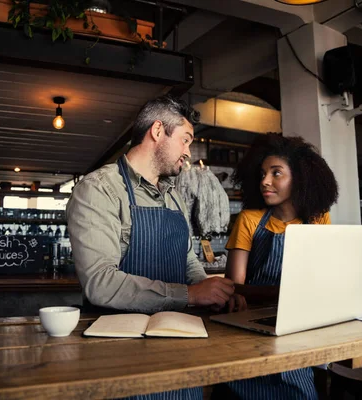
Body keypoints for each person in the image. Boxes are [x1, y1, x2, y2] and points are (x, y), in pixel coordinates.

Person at [66, 95, 235, 400]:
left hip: (180, 343)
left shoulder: (173, 197)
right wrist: (190, 294)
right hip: (120, 355)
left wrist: (211, 290)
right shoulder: (98, 189)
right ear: (158, 131)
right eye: (185, 140)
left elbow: (186, 260)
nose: (188, 151)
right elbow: (99, 283)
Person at [222, 133, 339, 399]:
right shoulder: (249, 219)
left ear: (300, 178)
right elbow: (234, 286)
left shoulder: (319, 219)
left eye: (276, 173)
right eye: (263, 173)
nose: (265, 181)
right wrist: (285, 293)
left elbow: (323, 277)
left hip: (296, 328)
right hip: (249, 326)